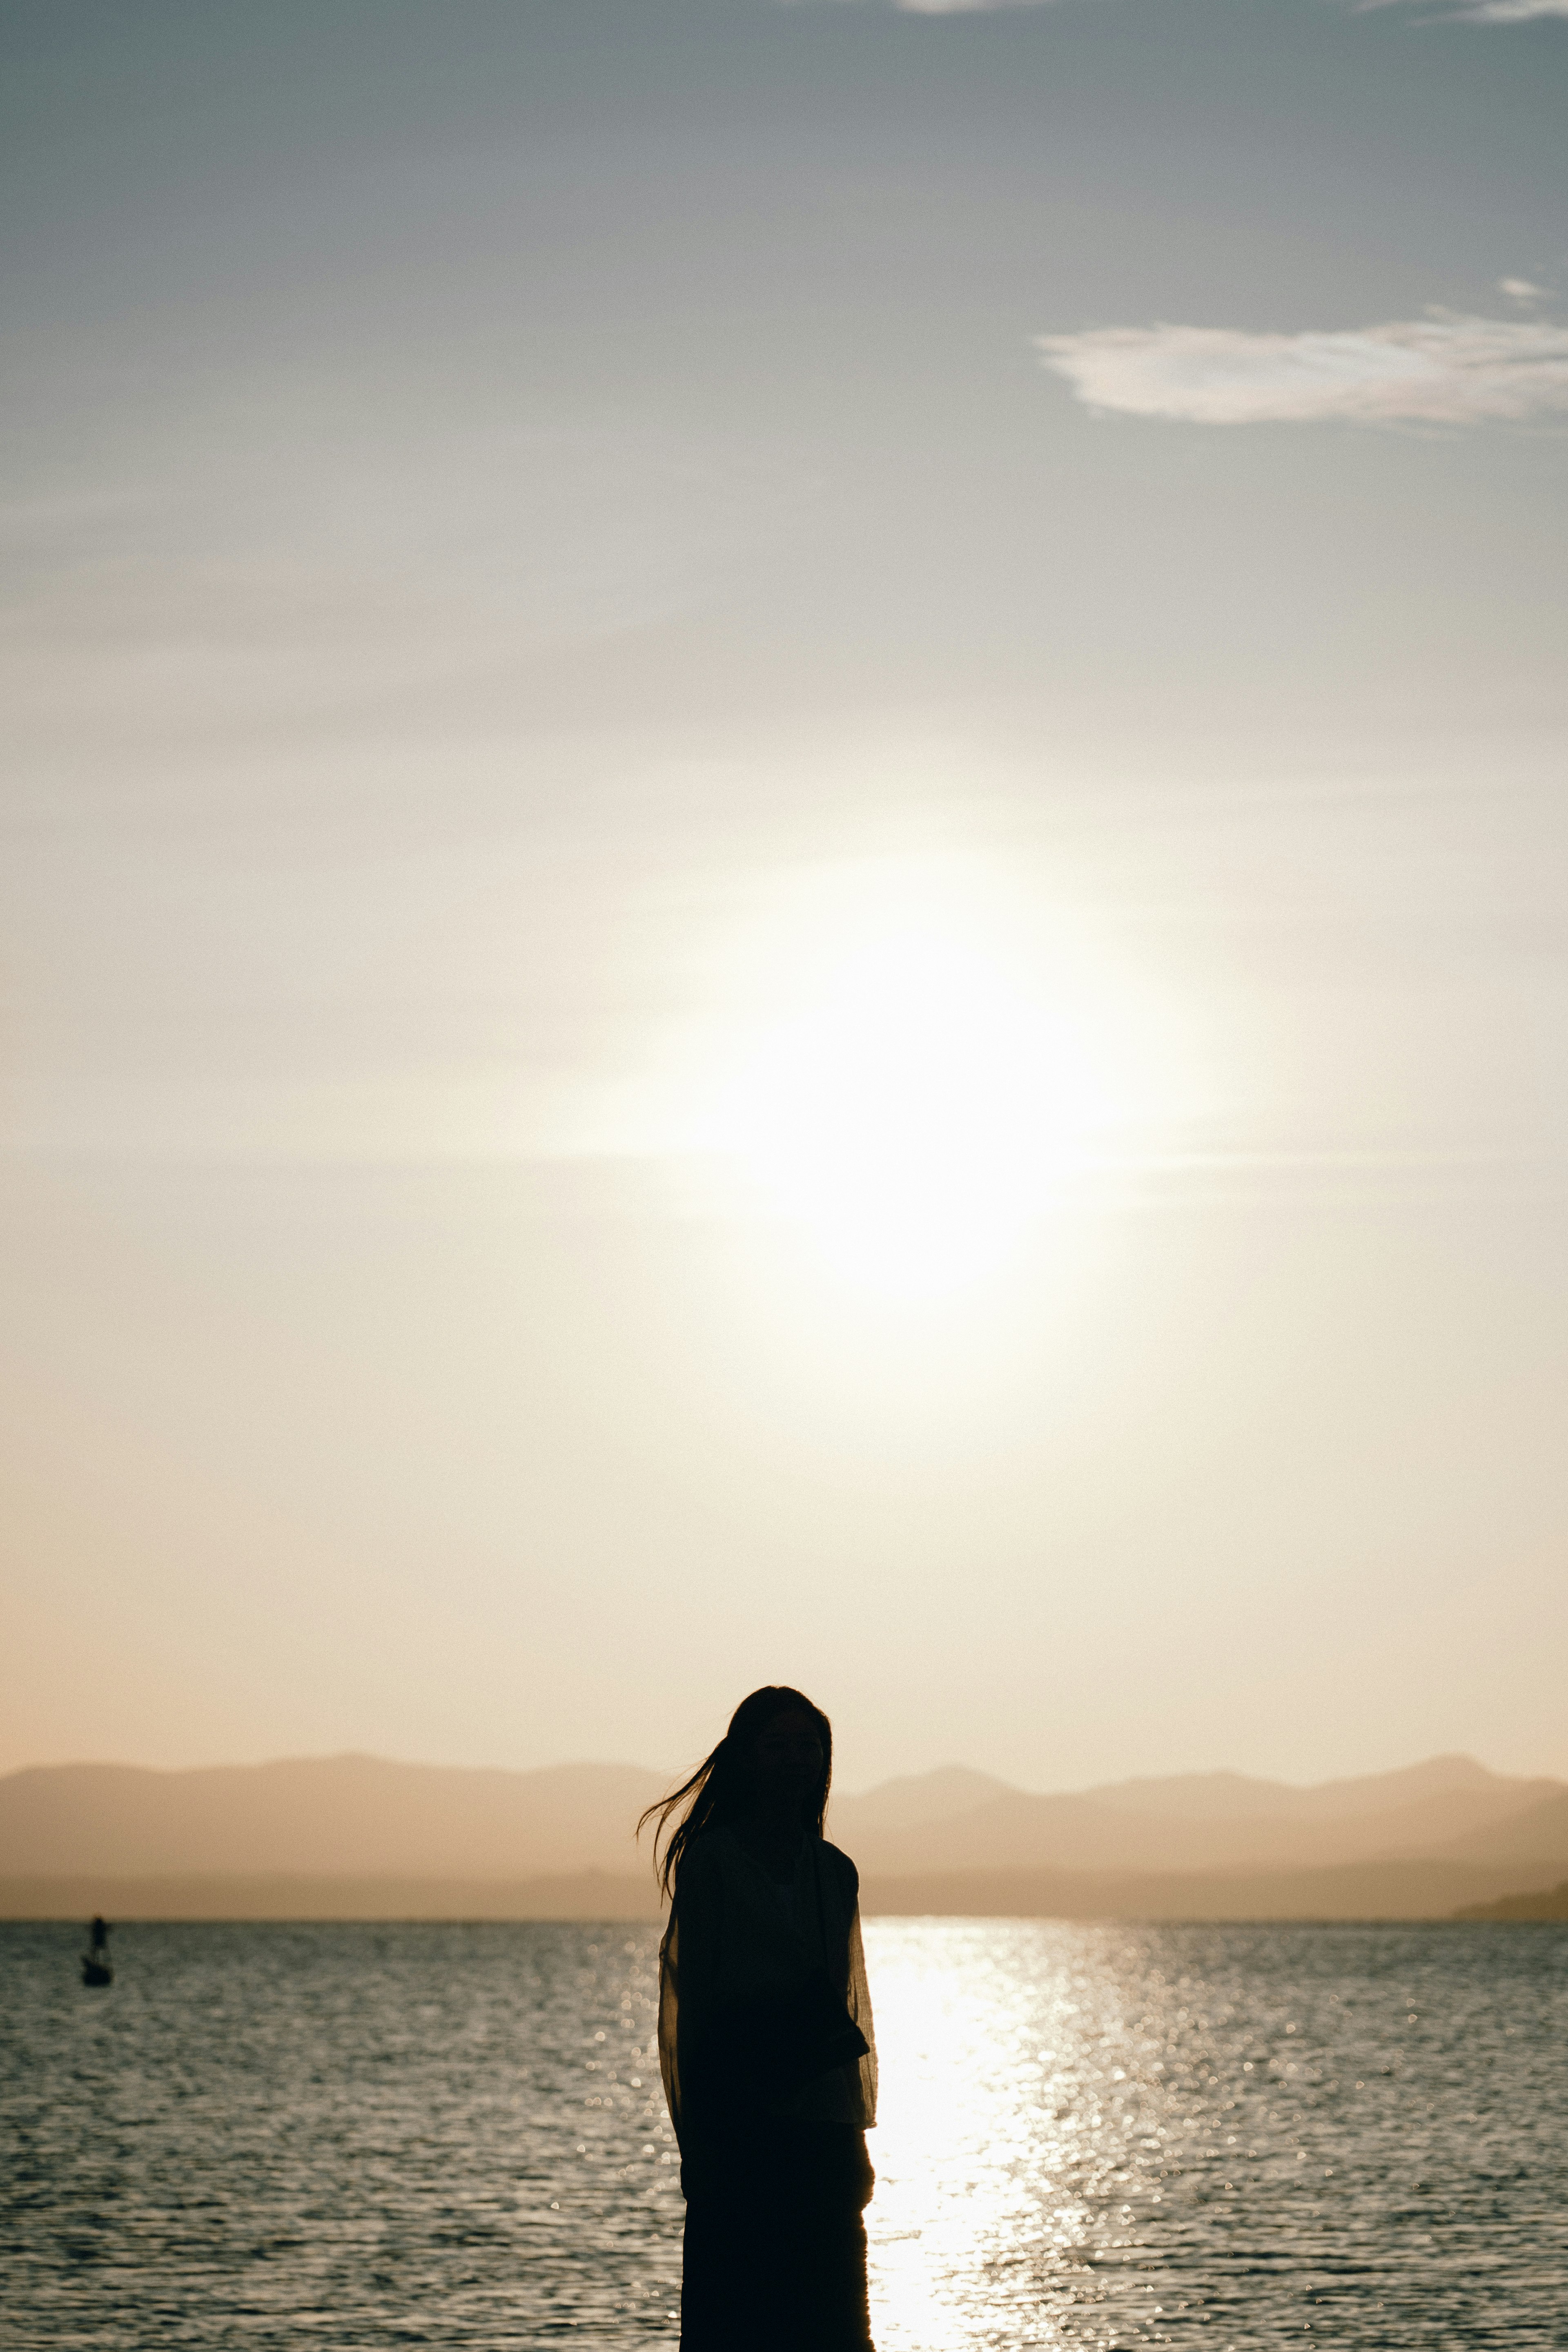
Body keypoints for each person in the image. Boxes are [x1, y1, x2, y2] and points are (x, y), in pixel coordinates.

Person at [640, 1686, 878, 2352]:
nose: (797, 1760)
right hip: (741, 2126)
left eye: (809, 1747)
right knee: (736, 2322)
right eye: (778, 1746)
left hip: (822, 2134)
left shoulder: (834, 1872)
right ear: (746, 1758)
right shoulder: (713, 1862)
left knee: (834, 2326)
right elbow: (693, 2005)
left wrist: (855, 2137)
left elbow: (840, 2006)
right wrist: (700, 2141)